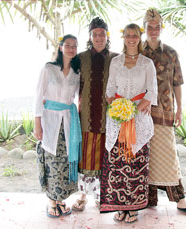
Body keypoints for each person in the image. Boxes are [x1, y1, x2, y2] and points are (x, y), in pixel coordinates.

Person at [142, 8, 186, 219]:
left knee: (168, 156)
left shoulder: (171, 53)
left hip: (166, 112)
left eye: (157, 27)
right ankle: (146, 198)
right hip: (141, 114)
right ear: (144, 28)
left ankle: (180, 199)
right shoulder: (136, 52)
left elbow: (177, 83)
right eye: (150, 26)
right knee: (143, 157)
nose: (153, 30)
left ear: (161, 28)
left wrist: (180, 110)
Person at [100, 23, 157, 223]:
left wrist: (135, 110)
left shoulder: (147, 63)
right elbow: (109, 89)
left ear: (139, 38)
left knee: (135, 162)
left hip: (139, 117)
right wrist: (118, 109)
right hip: (117, 117)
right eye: (128, 35)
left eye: (135, 35)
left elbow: (152, 91)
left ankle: (133, 208)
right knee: (118, 162)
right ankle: (120, 206)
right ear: (123, 37)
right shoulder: (115, 62)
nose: (131, 38)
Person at [72, 17, 118, 211]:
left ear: (107, 36)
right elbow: (68, 82)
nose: (99, 38)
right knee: (86, 156)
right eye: (95, 34)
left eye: (102, 34)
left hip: (109, 117)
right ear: (90, 37)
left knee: (103, 157)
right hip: (86, 116)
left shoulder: (116, 58)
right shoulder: (81, 58)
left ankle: (101, 194)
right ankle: (83, 195)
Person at [34, 34, 81, 218]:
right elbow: (38, 97)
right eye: (67, 45)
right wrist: (38, 124)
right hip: (50, 120)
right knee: (51, 160)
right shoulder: (49, 68)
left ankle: (61, 199)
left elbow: (79, 96)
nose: (71, 48)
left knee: (64, 161)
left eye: (74, 46)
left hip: (68, 121)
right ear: (61, 47)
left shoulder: (76, 73)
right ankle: (51, 201)